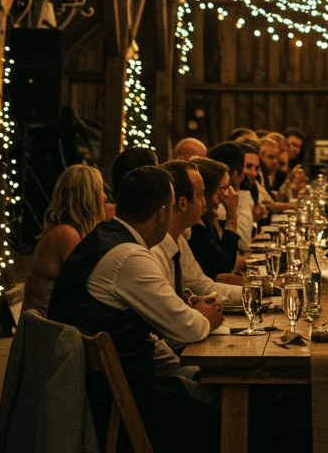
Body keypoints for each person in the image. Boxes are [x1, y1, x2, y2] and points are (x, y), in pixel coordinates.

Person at [47, 165, 222, 453]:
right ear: (163, 214)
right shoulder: (130, 257)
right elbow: (185, 328)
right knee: (232, 408)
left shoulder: (103, 236)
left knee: (209, 388)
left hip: (96, 390)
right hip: (119, 402)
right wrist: (205, 318)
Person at [153, 160, 243, 316]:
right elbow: (167, 316)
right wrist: (203, 321)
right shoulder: (155, 248)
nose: (204, 203)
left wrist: (254, 293)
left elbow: (203, 287)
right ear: (182, 203)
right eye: (200, 195)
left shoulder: (178, 239)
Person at [24, 164, 106, 316]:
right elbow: (88, 289)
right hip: (49, 330)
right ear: (88, 199)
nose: (105, 197)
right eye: (100, 192)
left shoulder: (66, 231)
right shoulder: (67, 235)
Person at [186, 157, 243, 282]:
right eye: (225, 188)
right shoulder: (194, 225)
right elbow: (223, 265)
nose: (230, 193)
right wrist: (232, 214)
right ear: (209, 190)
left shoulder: (210, 215)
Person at [208, 140, 255, 250]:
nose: (253, 173)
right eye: (247, 167)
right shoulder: (217, 203)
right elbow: (242, 243)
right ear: (236, 175)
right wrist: (242, 195)